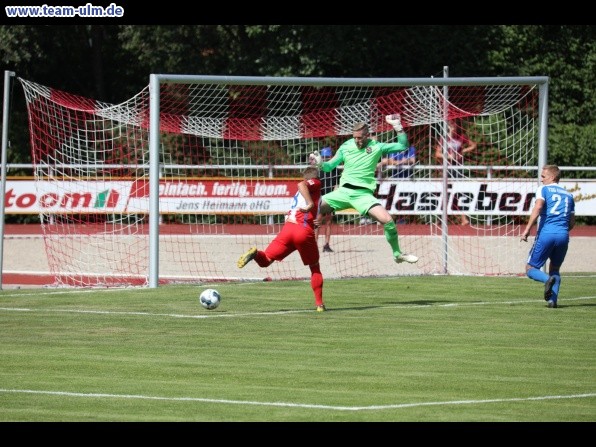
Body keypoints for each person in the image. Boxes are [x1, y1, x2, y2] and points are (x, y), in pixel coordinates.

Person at [310, 115, 418, 264]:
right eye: (355, 138)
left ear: (367, 135)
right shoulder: (346, 146)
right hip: (342, 193)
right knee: (307, 207)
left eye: (360, 138)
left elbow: (403, 145)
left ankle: (397, 254)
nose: (357, 141)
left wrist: (397, 126)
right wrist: (321, 164)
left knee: (388, 221)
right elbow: (329, 167)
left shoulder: (377, 146)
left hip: (363, 196)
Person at [237, 166, 327, 312]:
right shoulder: (314, 183)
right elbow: (301, 184)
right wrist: (310, 205)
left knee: (265, 261)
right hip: (302, 230)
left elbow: (316, 207)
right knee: (315, 267)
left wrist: (316, 220)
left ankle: (255, 253)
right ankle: (319, 304)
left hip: (288, 229)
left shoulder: (303, 195)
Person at [520, 165, 575, 309]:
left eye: (543, 176)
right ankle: (553, 301)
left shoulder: (543, 189)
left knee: (530, 268)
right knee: (555, 268)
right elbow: (572, 222)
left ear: (552, 177)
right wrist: (561, 231)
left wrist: (527, 229)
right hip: (563, 235)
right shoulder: (569, 195)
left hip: (546, 233)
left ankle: (546, 280)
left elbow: (538, 207)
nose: (541, 179)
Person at [434, 120, 477, 225]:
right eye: (451, 126)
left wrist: (462, 152)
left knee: (457, 192)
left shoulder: (461, 137)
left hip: (457, 168)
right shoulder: (444, 138)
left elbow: (473, 145)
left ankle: (463, 218)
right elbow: (437, 154)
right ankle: (439, 219)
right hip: (446, 168)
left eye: (454, 126)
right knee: (445, 193)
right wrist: (448, 156)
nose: (453, 128)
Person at [314, 147, 340, 252]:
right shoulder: (318, 169)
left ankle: (326, 245)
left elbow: (336, 185)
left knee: (329, 222)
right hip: (320, 198)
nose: (325, 158)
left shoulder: (334, 169)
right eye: (323, 156)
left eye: (327, 156)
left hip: (330, 198)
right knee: (317, 222)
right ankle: (314, 245)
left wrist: (334, 196)